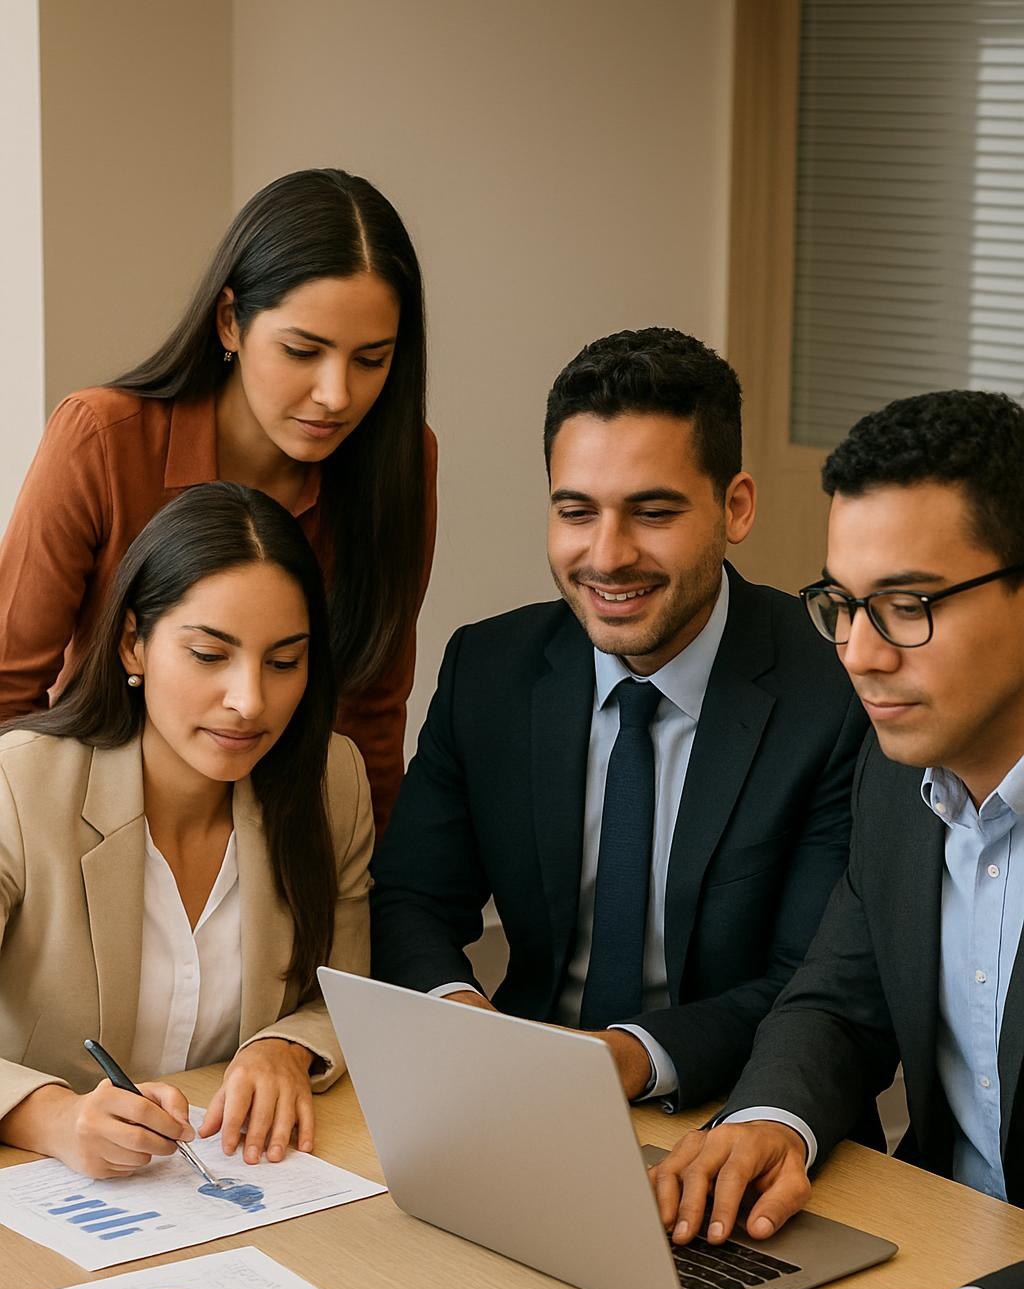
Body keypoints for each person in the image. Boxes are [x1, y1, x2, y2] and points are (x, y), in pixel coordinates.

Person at [653, 389, 1024, 1289]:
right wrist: (773, 1117)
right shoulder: (896, 776)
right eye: (842, 605)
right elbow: (834, 997)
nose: (858, 653)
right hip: (934, 1259)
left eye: (906, 604)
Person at [371, 329, 866, 1106]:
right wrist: (464, 1022)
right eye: (576, 511)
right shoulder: (487, 671)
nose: (607, 555)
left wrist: (628, 1059)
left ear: (735, 508)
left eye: (652, 512)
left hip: (736, 1106)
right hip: (521, 1096)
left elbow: (815, 983)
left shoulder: (835, 692)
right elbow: (410, 900)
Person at [0, 167, 435, 834]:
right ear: (230, 321)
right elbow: (8, 688)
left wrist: (369, 897)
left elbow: (372, 713)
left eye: (370, 360)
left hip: (286, 838)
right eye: (302, 350)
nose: (336, 395)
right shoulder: (102, 440)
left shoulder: (400, 461)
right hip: (91, 829)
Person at [0, 482, 372, 1180]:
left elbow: (346, 989)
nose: (249, 701)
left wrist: (282, 1047)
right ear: (133, 644)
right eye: (209, 655)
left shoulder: (330, 783)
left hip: (231, 1185)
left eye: (284, 661)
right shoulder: (19, 787)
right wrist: (52, 1117)